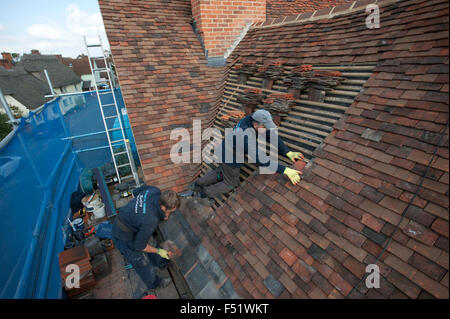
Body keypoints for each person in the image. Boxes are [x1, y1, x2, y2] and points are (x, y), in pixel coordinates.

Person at [193, 109, 304, 198]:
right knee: (231, 183)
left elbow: (271, 135)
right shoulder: (245, 135)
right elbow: (260, 159)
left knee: (221, 172)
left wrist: (287, 152)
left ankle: (198, 184)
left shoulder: (251, 119)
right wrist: (285, 170)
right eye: (265, 127)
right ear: (256, 125)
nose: (266, 129)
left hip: (224, 150)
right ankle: (204, 193)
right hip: (230, 157)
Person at [112, 184, 181, 292]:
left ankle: (161, 262)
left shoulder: (154, 190)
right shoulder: (151, 220)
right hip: (123, 235)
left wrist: (138, 213)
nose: (170, 213)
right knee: (141, 261)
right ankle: (154, 283)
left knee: (151, 242)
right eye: (170, 211)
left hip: (134, 223)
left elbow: (135, 192)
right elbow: (140, 246)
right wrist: (160, 251)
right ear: (163, 207)